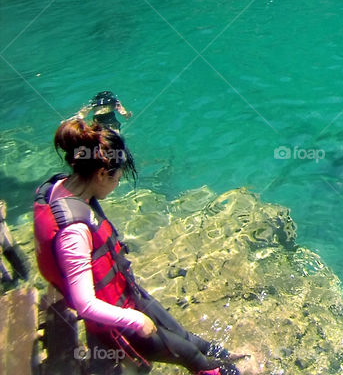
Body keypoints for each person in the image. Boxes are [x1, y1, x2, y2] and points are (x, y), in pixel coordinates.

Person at [33, 118, 246, 374]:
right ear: (101, 173)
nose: (116, 185)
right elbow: (84, 303)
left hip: (126, 293)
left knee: (190, 339)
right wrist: (134, 319)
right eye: (117, 179)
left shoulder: (61, 187)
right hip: (113, 322)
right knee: (190, 355)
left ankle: (233, 361)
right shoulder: (74, 232)